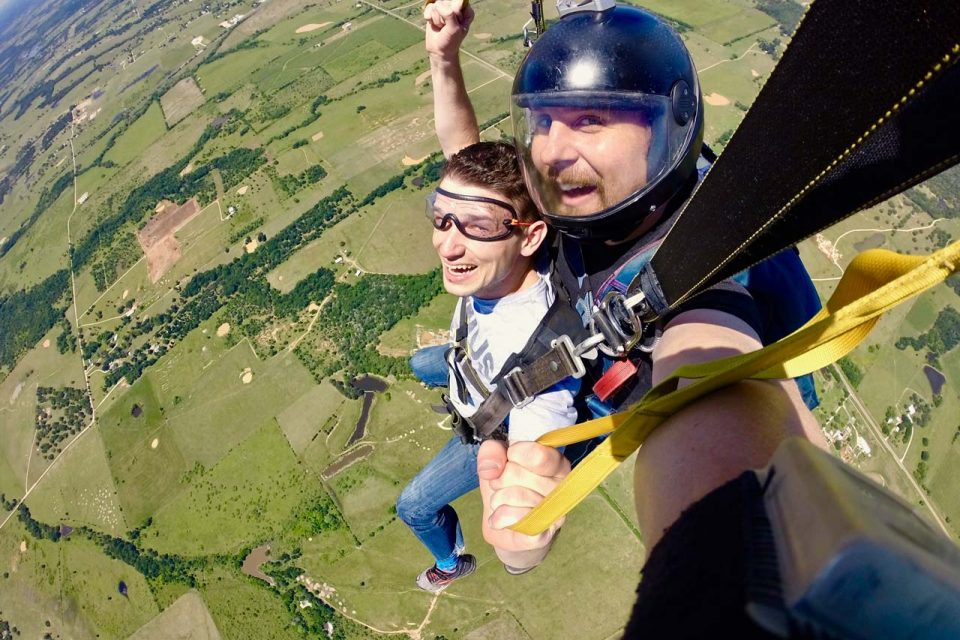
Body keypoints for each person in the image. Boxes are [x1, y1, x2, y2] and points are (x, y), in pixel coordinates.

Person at [421, 0, 828, 572]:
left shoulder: (699, 257)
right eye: (542, 121)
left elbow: (714, 367)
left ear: (667, 125)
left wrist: (524, 532)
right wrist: (444, 58)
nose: (553, 152)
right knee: (431, 362)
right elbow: (469, 172)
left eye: (591, 120)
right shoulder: (586, 199)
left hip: (604, 378)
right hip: (576, 343)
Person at [395, 141, 580, 592]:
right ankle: (452, 381)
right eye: (441, 217)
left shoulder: (541, 365)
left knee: (414, 506)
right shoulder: (502, 267)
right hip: (473, 366)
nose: (446, 243)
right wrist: (444, 68)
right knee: (420, 363)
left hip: (491, 423)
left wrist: (520, 542)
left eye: (476, 226)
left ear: (530, 235)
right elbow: (458, 142)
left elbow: (532, 463)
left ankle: (450, 562)